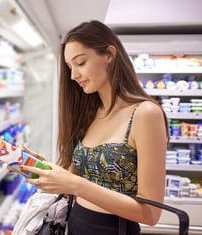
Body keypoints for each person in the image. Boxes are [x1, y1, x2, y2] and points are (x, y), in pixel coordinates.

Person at [20, 20, 169, 235]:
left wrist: (76, 185)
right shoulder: (89, 113)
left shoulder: (145, 113)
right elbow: (74, 179)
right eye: (70, 68)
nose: (73, 76)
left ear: (109, 54)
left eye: (80, 63)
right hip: (74, 224)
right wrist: (40, 167)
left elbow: (151, 213)